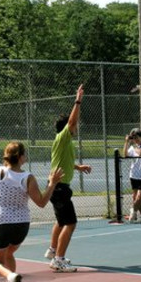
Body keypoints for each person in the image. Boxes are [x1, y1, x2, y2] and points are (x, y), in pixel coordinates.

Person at [0, 142, 64, 282]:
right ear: (21, 157)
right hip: (21, 224)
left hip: (1, 221)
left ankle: (11, 276)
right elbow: (42, 202)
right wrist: (52, 184)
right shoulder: (27, 177)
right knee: (9, 253)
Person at [43, 84, 92, 272]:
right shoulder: (63, 137)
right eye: (74, 125)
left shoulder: (64, 143)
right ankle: (58, 259)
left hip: (57, 186)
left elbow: (63, 162)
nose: (76, 126)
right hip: (59, 187)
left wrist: (78, 167)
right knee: (70, 223)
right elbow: (71, 123)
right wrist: (78, 100)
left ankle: (53, 250)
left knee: (61, 221)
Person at [123, 127, 141, 223]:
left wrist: (135, 146)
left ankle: (133, 211)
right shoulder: (132, 147)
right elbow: (125, 155)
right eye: (134, 138)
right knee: (136, 198)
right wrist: (127, 142)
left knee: (139, 197)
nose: (135, 140)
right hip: (134, 175)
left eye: (137, 138)